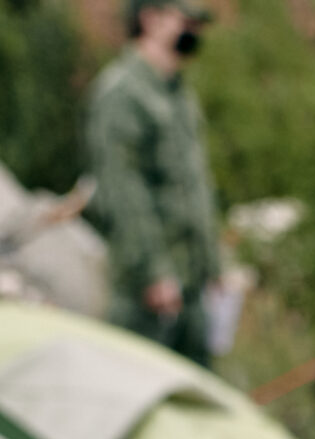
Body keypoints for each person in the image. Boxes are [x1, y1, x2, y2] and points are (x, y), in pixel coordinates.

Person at [84, 0, 218, 365]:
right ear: (151, 19)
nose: (194, 32)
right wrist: (154, 272)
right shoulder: (123, 93)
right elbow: (123, 193)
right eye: (185, 21)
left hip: (190, 283)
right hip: (148, 290)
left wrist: (213, 263)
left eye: (198, 24)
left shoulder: (178, 94)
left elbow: (194, 186)